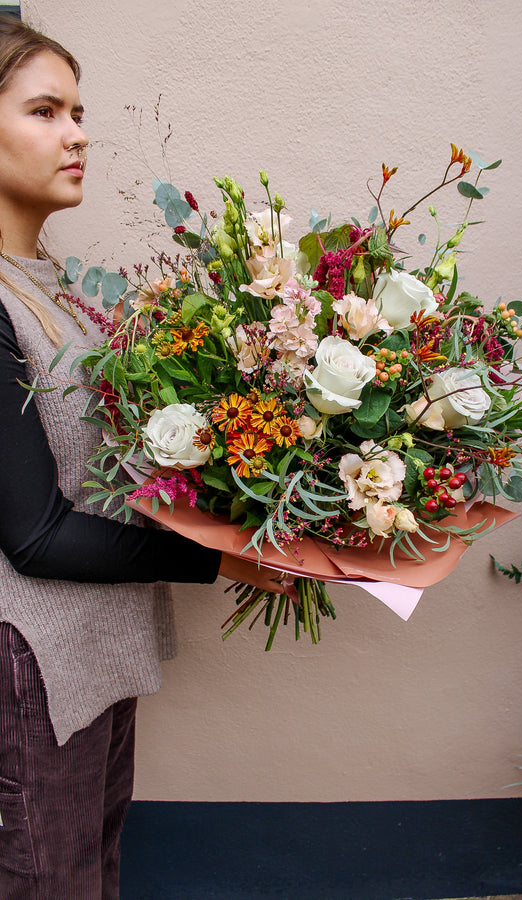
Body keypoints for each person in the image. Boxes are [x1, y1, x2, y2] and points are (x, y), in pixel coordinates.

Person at [0, 15, 284, 899]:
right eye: (45, 110)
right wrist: (220, 555)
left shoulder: (59, 290)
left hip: (90, 660)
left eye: (79, 111)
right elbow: (35, 534)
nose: (78, 133)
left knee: (90, 877)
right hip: (29, 670)